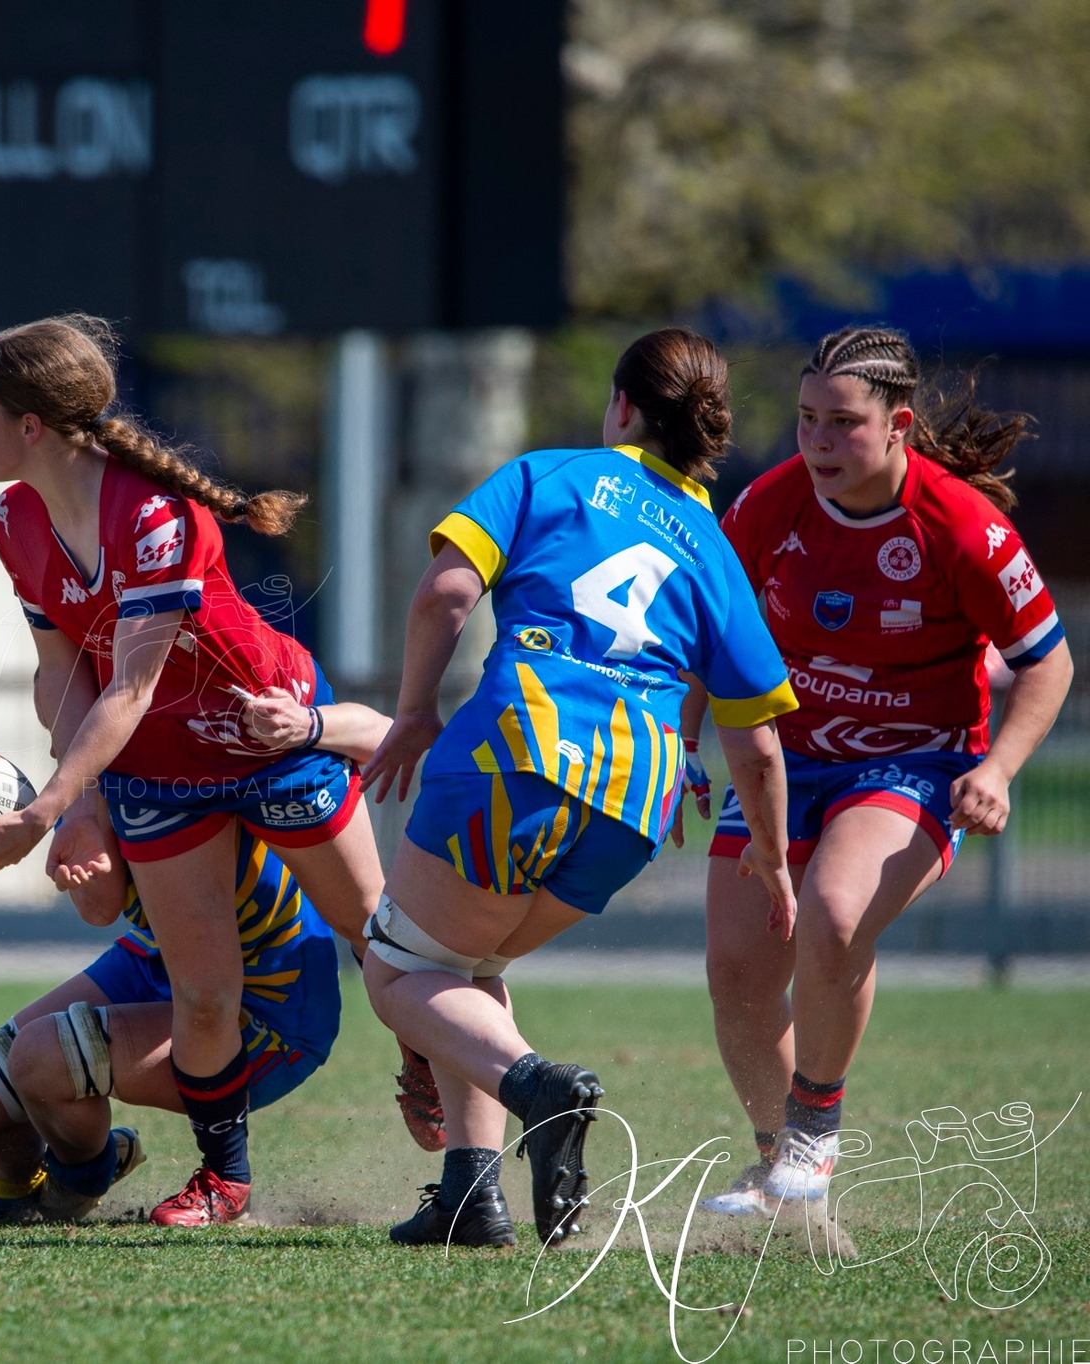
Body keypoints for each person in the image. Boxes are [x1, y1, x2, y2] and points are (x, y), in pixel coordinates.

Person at [354, 328, 798, 1248]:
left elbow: (444, 594)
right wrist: (770, 852)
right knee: (472, 967)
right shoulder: (714, 548)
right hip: (642, 800)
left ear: (623, 407)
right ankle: (472, 1198)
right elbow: (754, 741)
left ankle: (541, 1094)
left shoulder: (548, 475)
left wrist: (411, 712)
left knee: (401, 970)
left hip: (520, 751)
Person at [0, 316, 388, 1227]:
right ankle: (223, 1180)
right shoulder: (14, 518)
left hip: (262, 737)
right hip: (157, 766)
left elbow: (133, 685)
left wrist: (50, 812)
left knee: (390, 942)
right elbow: (63, 675)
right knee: (201, 989)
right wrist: (82, 810)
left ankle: (453, 1096)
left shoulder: (155, 515)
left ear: (32, 424)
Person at [691, 326, 1072, 1216]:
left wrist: (1002, 769)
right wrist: (682, 745)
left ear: (898, 424)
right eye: (805, 420)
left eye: (844, 423)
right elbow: (713, 636)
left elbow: (1048, 662)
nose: (819, 442)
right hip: (786, 760)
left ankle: (816, 1129)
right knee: (739, 967)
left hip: (914, 763)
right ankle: (775, 1164)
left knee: (832, 912)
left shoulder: (962, 526)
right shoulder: (767, 506)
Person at [0, 696, 384, 1225]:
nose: (48, 707)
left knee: (39, 1058)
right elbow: (99, 908)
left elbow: (377, 732)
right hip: (160, 962)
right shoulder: (90, 785)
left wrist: (308, 725)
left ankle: (81, 1179)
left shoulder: (202, 747)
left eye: (63, 692)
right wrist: (69, 819)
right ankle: (9, 1192)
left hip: (268, 1012)